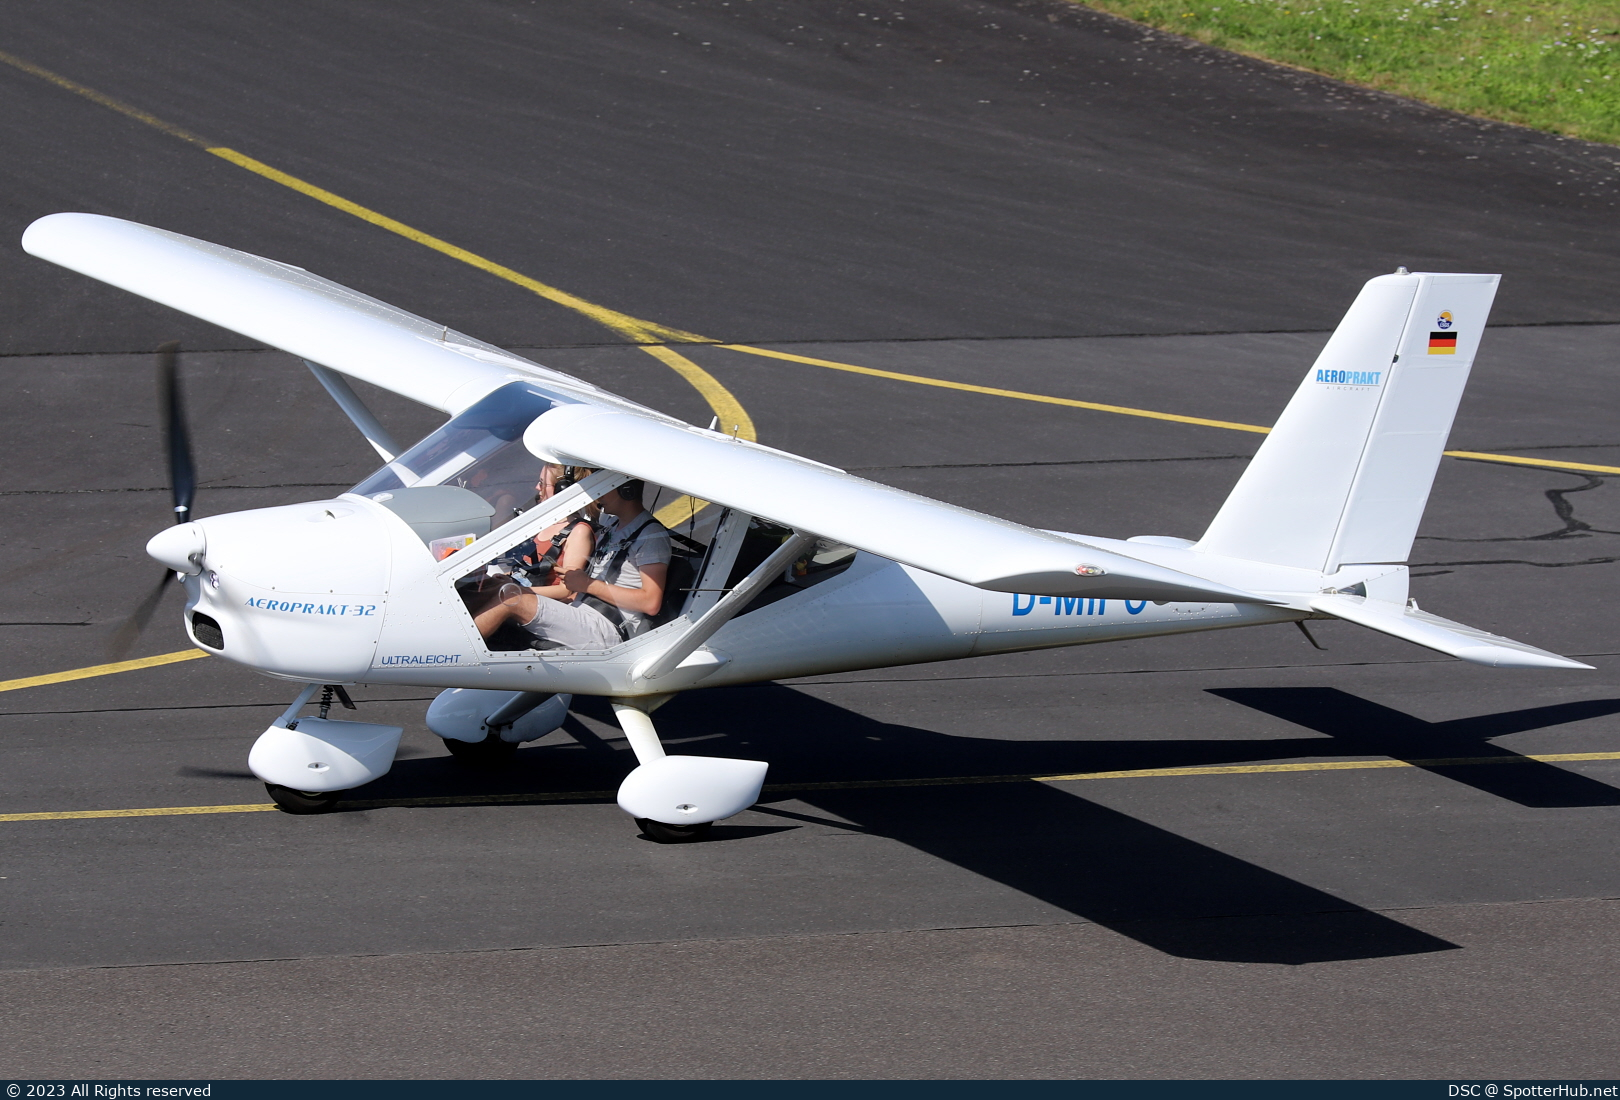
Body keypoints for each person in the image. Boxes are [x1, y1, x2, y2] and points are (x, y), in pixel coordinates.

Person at [474, 478, 670, 650]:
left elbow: (650, 603)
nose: (598, 494)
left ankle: (460, 653)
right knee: (491, 589)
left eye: (605, 488)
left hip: (608, 626)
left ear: (627, 490)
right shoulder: (613, 526)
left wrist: (588, 585)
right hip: (581, 610)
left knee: (510, 598)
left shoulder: (651, 535)